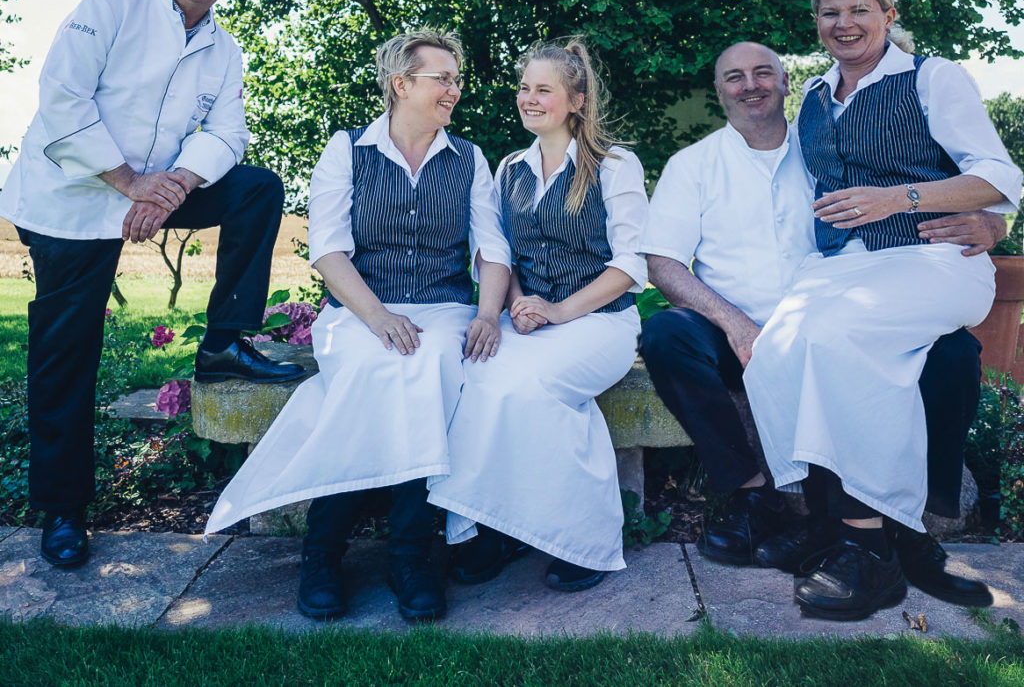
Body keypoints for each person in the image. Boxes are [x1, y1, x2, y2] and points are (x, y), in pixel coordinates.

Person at [640, 40, 1005, 609]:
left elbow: (947, 179)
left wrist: (990, 225)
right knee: (666, 335)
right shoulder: (695, 164)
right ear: (719, 92)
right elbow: (662, 261)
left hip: (853, 308)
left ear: (790, 83)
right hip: (740, 322)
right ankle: (753, 496)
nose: (751, 84)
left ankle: (913, 528)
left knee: (954, 353)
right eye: (735, 77)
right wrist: (735, 325)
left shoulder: (828, 151)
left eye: (765, 72)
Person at [0, 0, 304, 570]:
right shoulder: (107, 8)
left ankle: (224, 343)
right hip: (72, 203)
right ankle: (62, 507)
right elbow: (63, 99)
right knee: (66, 353)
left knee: (256, 188)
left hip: (153, 191)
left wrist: (172, 186)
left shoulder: (224, 52)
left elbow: (227, 135)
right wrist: (129, 182)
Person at [740, 0, 1021, 620]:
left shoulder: (932, 77)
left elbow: (998, 173)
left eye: (860, 9)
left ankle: (869, 550)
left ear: (889, 15)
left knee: (842, 341)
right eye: (829, 12)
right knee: (777, 352)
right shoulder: (812, 97)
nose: (844, 23)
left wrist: (908, 200)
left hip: (932, 257)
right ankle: (822, 519)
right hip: (842, 268)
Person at [204, 30, 511, 623]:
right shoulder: (346, 149)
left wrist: (490, 313)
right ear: (402, 84)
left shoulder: (469, 158)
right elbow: (328, 251)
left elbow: (491, 250)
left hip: (444, 310)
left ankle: (409, 555)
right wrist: (377, 316)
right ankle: (325, 554)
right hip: (358, 309)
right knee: (374, 368)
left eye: (456, 78)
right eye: (442, 78)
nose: (456, 88)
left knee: (434, 365)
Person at [427, 40, 649, 592]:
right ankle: (487, 531)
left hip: (600, 322)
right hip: (534, 318)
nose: (529, 98)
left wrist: (558, 311)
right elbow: (504, 253)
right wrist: (521, 301)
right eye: (524, 88)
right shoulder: (510, 168)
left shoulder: (614, 164)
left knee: (533, 387)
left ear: (575, 99)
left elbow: (631, 265)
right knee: (467, 379)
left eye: (543, 90)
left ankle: (588, 539)